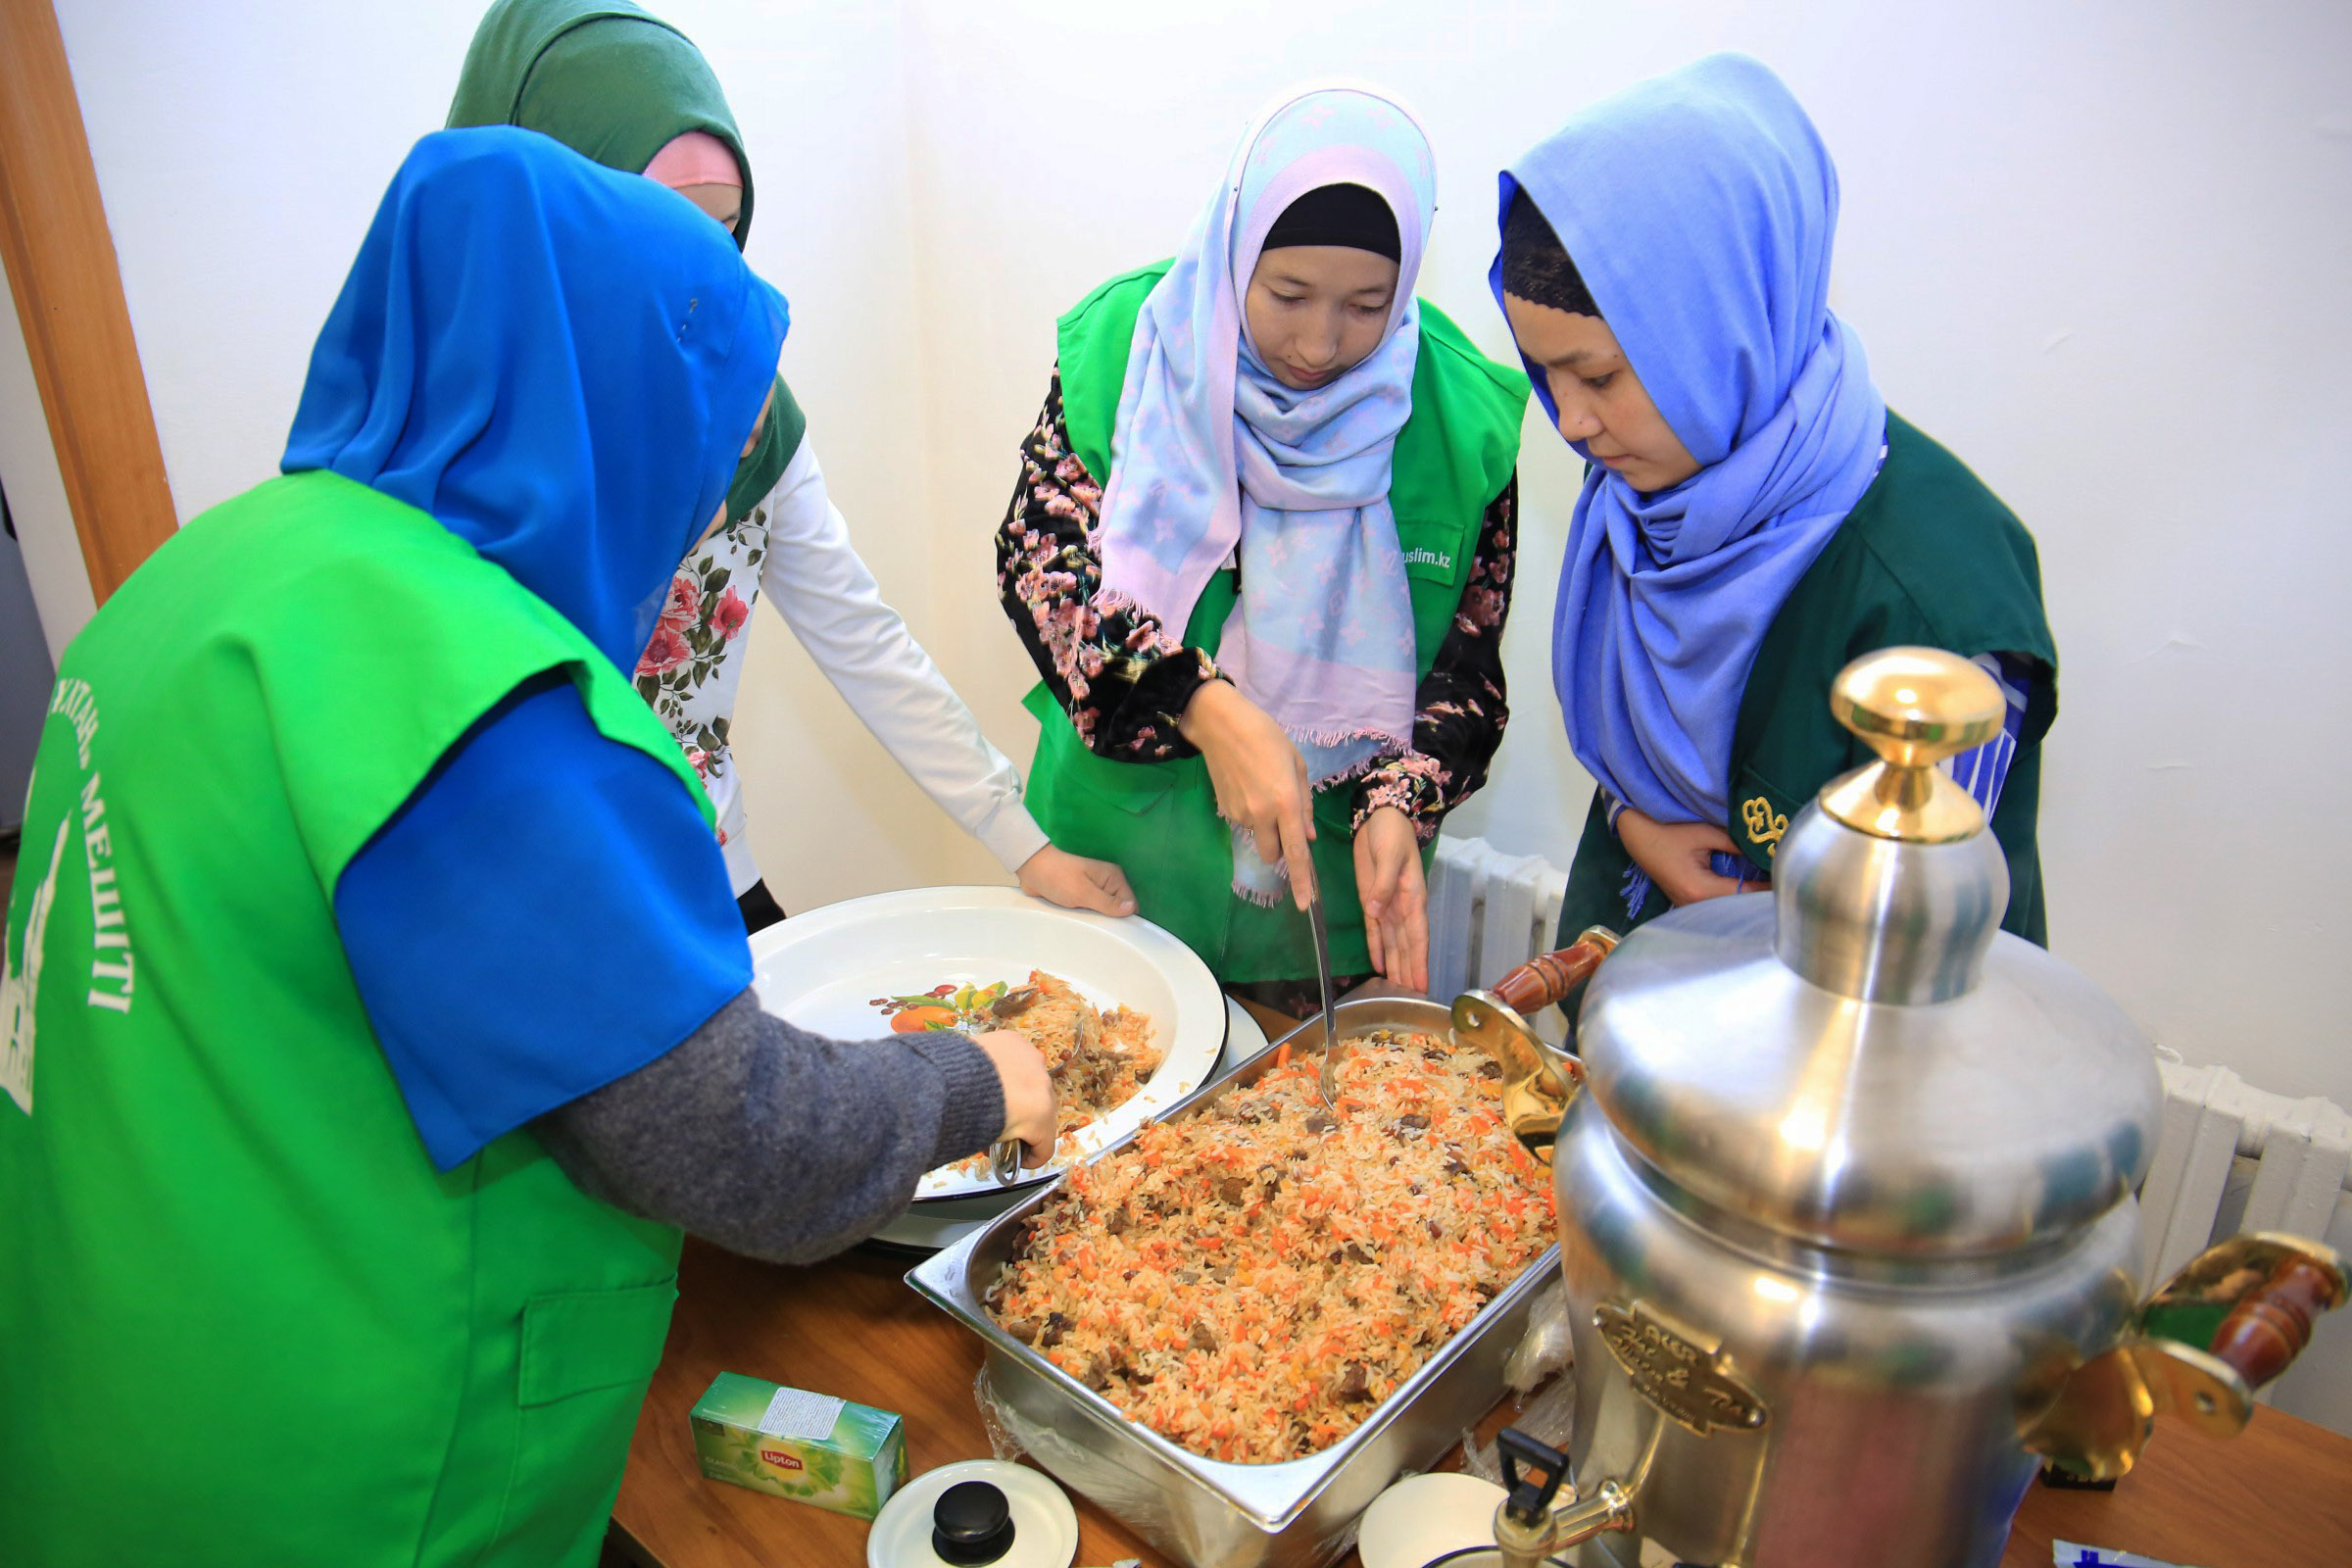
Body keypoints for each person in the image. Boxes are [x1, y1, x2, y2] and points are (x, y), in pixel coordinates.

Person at [0, 129, 1055, 1568]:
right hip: (331, 1475)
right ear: (606, 410)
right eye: (705, 447)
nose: (703, 513)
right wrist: (978, 1075)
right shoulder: (479, 693)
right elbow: (738, 1143)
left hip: (109, 1386)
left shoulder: (216, 575)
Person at [449, 0, 1132, 930]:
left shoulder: (750, 412)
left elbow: (862, 637)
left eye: (725, 230)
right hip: (535, 917)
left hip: (708, 875)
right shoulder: (450, 450)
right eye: (657, 227)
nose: (704, 275)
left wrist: (1025, 844)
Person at [1491, 54, 2057, 947]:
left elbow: (1921, 936)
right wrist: (1635, 827)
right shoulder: (1651, 482)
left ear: (1723, 331)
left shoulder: (1935, 591)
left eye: (1597, 376)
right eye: (1544, 372)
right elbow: (1631, 753)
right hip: (1635, 950)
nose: (1571, 422)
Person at [998, 84, 1527, 1008]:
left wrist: (1402, 796)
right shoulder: (1129, 350)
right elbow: (1045, 572)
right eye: (1287, 295)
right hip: (1117, 872)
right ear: (1236, 248)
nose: (1319, 344)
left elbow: (1465, 668)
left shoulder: (1461, 418)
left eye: (1366, 306)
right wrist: (1196, 703)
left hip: (1321, 904)